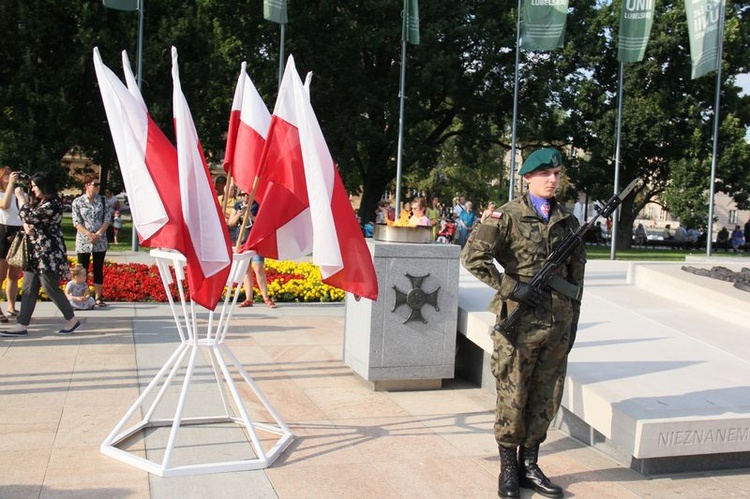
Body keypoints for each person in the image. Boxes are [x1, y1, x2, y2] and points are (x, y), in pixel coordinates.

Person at [461, 148, 585, 499]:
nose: (552, 180)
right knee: (513, 396)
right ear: (528, 178)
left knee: (546, 397)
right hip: (519, 323)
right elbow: (473, 257)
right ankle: (508, 469)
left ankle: (530, 464)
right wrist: (513, 287)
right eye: (545, 174)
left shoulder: (567, 219)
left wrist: (573, 319)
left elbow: (577, 274)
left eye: (557, 174)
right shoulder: (507, 215)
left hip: (557, 323)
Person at [1, 172, 80, 337]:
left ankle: (71, 320)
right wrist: (27, 225)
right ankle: (22, 324)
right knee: (28, 288)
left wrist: (21, 197)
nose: (32, 189)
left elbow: (27, 215)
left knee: (50, 288)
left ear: (44, 186)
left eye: (35, 186)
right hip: (35, 253)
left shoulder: (53, 203)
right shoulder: (42, 202)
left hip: (48, 254)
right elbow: (28, 219)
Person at [229, 194, 276, 309]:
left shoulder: (258, 205)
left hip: (256, 242)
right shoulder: (237, 206)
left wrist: (250, 215)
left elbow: (263, 222)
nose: (245, 196)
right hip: (242, 242)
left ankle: (266, 297)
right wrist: (239, 215)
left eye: (247, 194)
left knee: (258, 267)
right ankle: (248, 298)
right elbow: (230, 223)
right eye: (242, 194)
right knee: (245, 270)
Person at [72, 174, 112, 306]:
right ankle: (81, 295)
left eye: (98, 184)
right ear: (87, 185)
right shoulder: (78, 202)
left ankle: (98, 297)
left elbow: (107, 219)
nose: (98, 187)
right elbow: (76, 222)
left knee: (98, 268)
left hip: (100, 240)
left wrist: (98, 234)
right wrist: (89, 234)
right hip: (84, 240)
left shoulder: (103, 201)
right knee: (82, 268)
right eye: (95, 184)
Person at [0, 168, 24, 320]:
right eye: (7, 175)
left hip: (18, 232)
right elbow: (5, 205)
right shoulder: (3, 194)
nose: (10, 177)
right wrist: (10, 187)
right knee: (1, 274)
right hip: (3, 230)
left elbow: (25, 209)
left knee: (14, 275)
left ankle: (11, 306)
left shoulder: (20, 193)